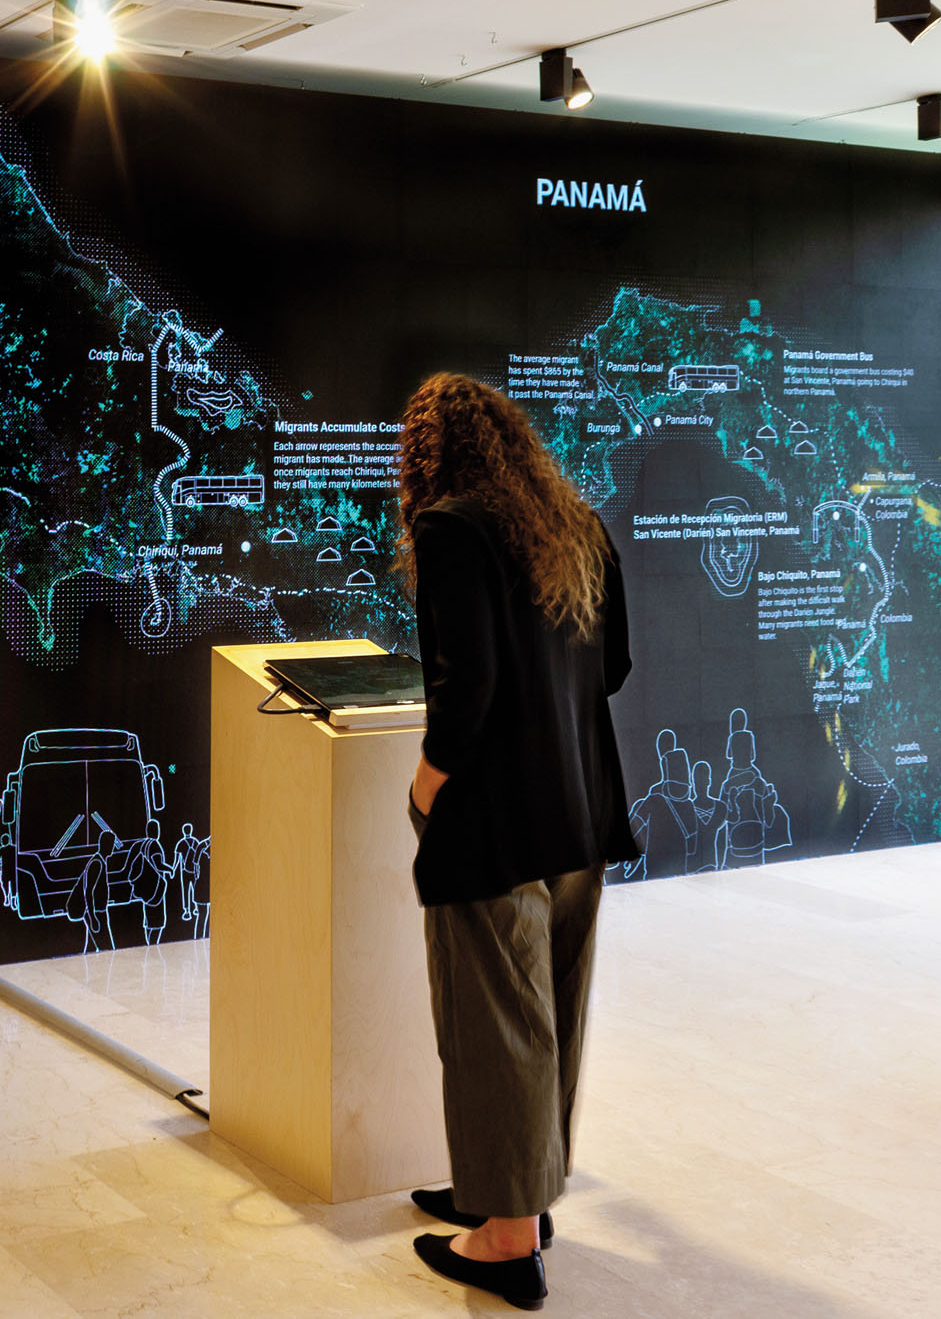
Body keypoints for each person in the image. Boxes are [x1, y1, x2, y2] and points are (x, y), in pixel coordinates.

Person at [398, 373, 636, 1312]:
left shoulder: (452, 526)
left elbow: (467, 690)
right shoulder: (575, 523)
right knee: (552, 1015)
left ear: (430, 450)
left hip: (494, 815)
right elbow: (612, 667)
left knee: (496, 1014)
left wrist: (423, 789)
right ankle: (515, 1190)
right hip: (578, 814)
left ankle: (504, 1236)